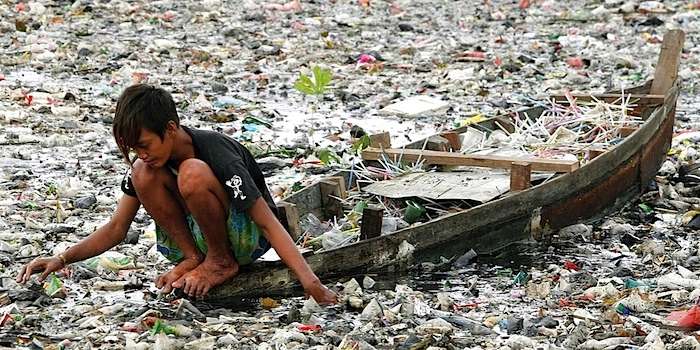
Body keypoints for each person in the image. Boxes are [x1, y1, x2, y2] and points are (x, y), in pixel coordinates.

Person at [16, 84, 337, 303]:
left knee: (192, 173)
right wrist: (60, 259)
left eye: (144, 144)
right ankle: (194, 257)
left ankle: (220, 261)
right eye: (133, 148)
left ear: (170, 128)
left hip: (245, 239)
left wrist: (310, 282)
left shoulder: (215, 152)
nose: (140, 153)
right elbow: (116, 229)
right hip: (198, 242)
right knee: (142, 173)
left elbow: (268, 222)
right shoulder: (148, 164)